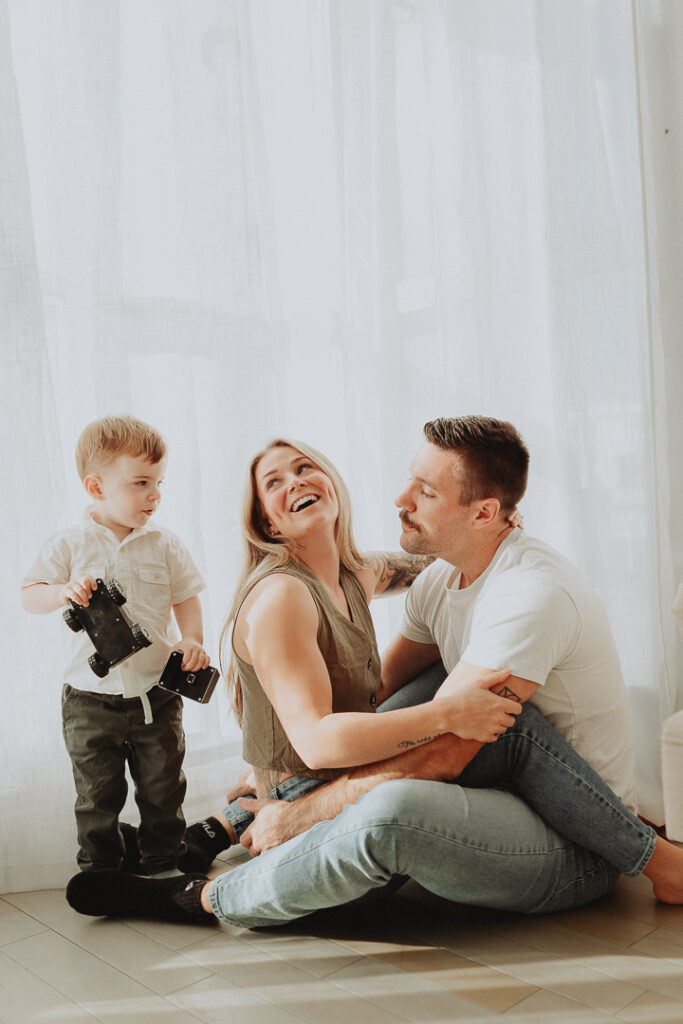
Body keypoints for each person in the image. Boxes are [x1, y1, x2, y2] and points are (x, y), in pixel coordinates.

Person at [66, 420, 683, 925]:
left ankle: (203, 895)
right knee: (462, 701)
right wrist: (283, 781)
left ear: (486, 512)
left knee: (417, 787)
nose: (400, 499)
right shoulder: (434, 575)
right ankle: (250, 817)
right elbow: (381, 698)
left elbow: (439, 737)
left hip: (576, 842)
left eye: (426, 492)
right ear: (267, 522)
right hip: (501, 778)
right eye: (274, 482)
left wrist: (305, 808)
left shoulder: (509, 590)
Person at [22, 415, 209, 877]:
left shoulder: (165, 543)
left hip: (155, 695)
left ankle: (164, 863)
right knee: (96, 791)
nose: (155, 495)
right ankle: (100, 869)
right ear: (96, 486)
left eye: (159, 482)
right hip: (88, 700)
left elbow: (186, 596)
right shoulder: (69, 543)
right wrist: (63, 590)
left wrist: (192, 639)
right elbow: (30, 594)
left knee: (163, 785)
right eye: (141, 482)